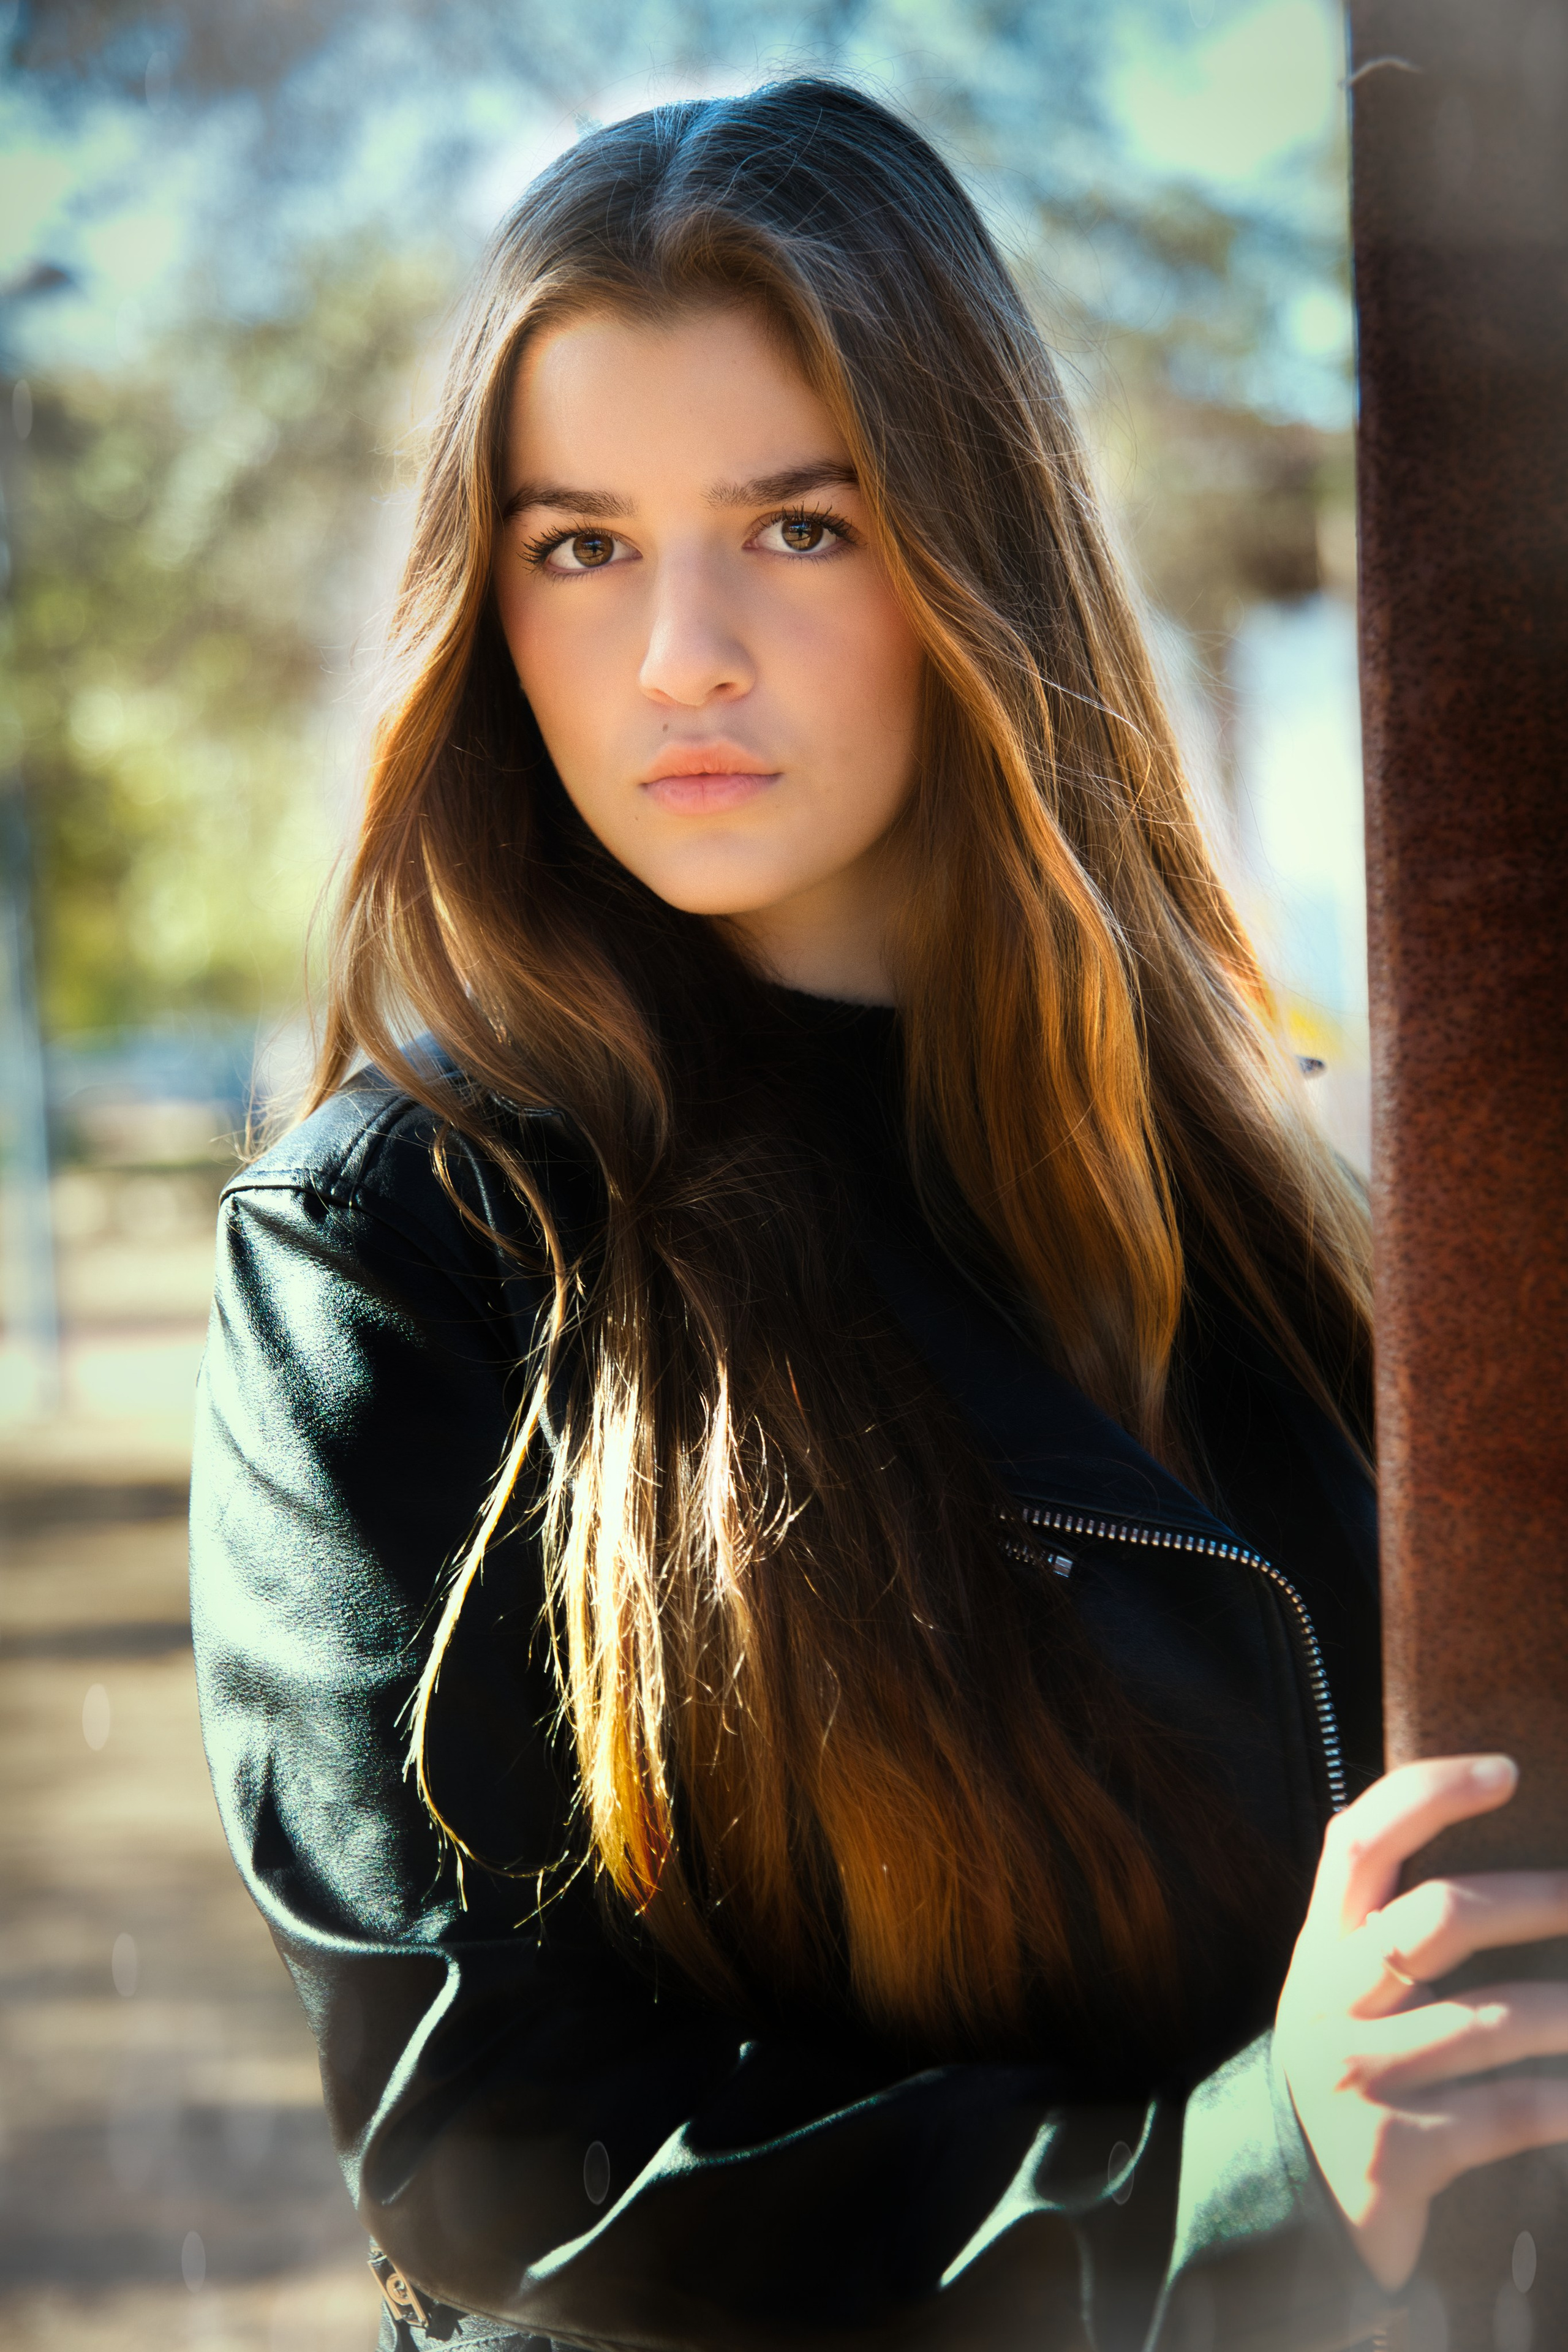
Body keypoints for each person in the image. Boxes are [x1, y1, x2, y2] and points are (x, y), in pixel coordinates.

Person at [189, 79, 1568, 2352]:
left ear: (971, 549)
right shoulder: (401, 1258)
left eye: (799, 528)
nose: (681, 658)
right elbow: (486, 2149)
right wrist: (1241, 2173)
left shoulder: (1286, 1201)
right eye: (582, 544)